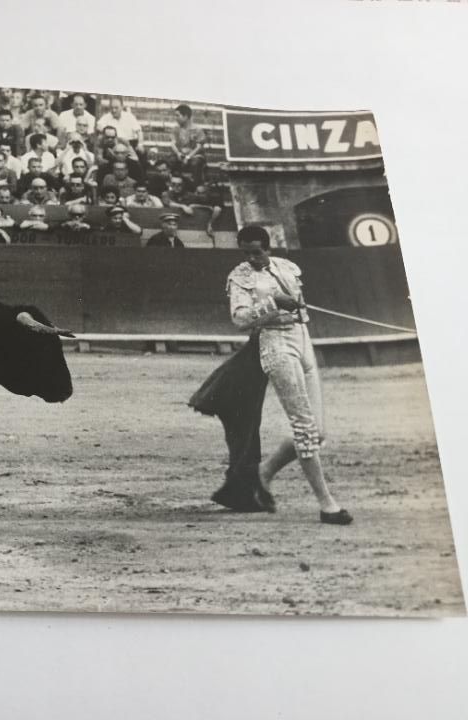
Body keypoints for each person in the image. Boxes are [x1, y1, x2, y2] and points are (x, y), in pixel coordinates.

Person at [226, 225, 352, 524]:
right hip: (275, 343)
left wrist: (292, 306)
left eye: (257, 252)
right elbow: (240, 319)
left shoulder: (287, 266)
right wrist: (272, 303)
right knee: (305, 428)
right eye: (246, 253)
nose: (252, 259)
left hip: (302, 337)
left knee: (318, 432)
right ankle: (327, 504)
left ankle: (260, 475)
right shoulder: (239, 277)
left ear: (268, 248)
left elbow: (300, 308)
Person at [171, 103, 207, 187]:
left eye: (178, 116)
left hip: (195, 155)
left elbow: (199, 147)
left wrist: (188, 157)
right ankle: (174, 185)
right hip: (181, 154)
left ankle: (195, 186)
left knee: (195, 163)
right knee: (171, 160)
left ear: (186, 116)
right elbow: (172, 143)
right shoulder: (176, 129)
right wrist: (178, 153)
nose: (176, 118)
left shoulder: (197, 129)